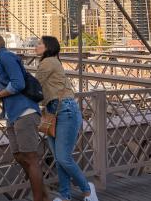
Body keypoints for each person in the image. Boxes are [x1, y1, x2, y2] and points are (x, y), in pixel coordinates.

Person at [0, 35, 46, 201]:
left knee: (31, 158)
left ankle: (40, 198)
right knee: (18, 155)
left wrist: (0, 94)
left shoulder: (6, 56)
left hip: (24, 112)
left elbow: (18, 83)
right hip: (13, 113)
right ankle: (43, 195)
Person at [34, 36, 98, 201]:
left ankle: (87, 189)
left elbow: (34, 85)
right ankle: (65, 195)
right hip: (57, 111)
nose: (36, 45)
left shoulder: (47, 62)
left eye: (40, 43)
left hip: (63, 111)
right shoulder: (54, 61)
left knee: (63, 157)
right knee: (60, 158)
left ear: (48, 47)